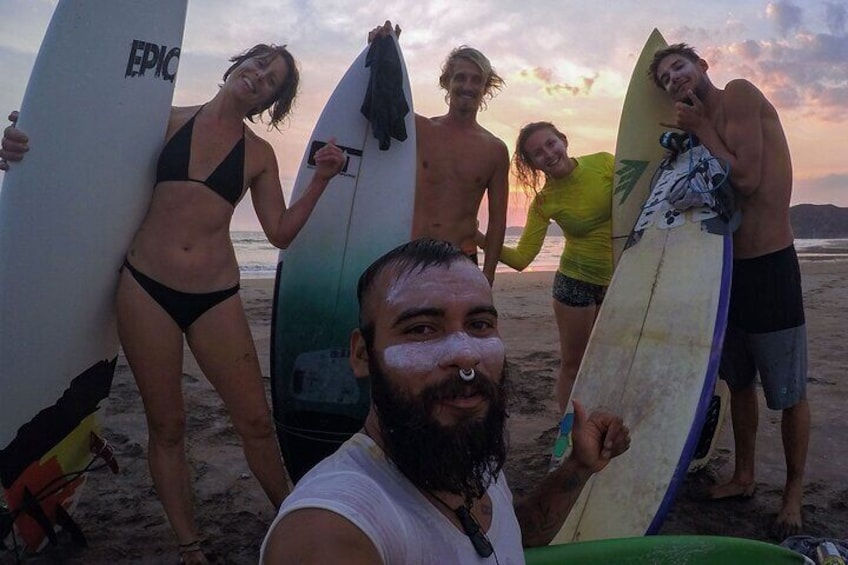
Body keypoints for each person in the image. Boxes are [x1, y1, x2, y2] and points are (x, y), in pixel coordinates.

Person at [2, 44, 346, 563]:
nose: (259, 76)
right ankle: (190, 548)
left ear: (268, 103)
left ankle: (294, 518)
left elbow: (278, 233)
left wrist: (320, 179)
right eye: (257, 64)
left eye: (271, 81)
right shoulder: (163, 120)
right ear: (236, 66)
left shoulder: (258, 155)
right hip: (146, 288)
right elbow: (87, 157)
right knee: (168, 426)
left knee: (254, 420)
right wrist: (27, 141)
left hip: (216, 295)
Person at [260, 238, 631, 563]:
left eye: (480, 324)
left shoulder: (460, 450)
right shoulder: (329, 529)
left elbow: (507, 537)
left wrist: (578, 467)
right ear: (361, 354)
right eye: (422, 329)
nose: (466, 354)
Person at [649, 43, 809, 539]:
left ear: (702, 66)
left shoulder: (736, 95)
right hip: (724, 274)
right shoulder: (697, 128)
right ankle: (744, 475)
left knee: (788, 391)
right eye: (665, 77)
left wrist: (698, 129)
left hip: (770, 266)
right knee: (739, 382)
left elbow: (746, 176)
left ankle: (794, 492)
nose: (674, 77)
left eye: (679, 66)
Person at [481, 122, 613, 412]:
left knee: (607, 358)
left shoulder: (604, 162)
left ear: (563, 140)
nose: (549, 153)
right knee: (573, 363)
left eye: (551, 143)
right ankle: (567, 433)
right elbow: (522, 259)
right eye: (538, 153)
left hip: (618, 281)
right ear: (533, 164)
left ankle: (600, 417)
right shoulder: (544, 202)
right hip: (575, 284)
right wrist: (481, 239)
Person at [369, 22, 510, 285]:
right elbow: (382, 104)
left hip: (461, 257)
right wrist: (382, 52)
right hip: (410, 254)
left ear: (485, 88)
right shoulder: (419, 129)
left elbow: (498, 221)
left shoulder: (496, 150)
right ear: (447, 82)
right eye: (460, 77)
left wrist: (488, 275)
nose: (467, 86)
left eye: (476, 79)